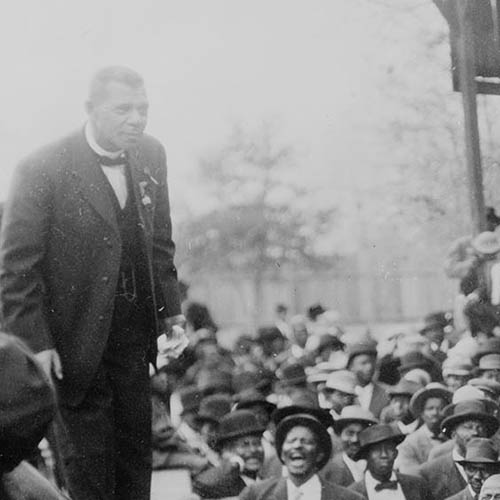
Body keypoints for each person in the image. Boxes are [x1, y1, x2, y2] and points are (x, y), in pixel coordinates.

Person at [0, 66, 187, 500]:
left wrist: (171, 312)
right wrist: (36, 345)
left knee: (135, 466)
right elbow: (16, 269)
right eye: (123, 109)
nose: (136, 120)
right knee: (89, 472)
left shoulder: (151, 154)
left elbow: (160, 242)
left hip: (133, 341)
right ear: (90, 110)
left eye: (143, 109)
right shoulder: (42, 166)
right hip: (71, 345)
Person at [239, 413, 365, 500]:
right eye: (291, 441)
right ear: (282, 454)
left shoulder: (348, 498)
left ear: (319, 455)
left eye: (306, 441)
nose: (297, 446)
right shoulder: (256, 494)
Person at [418, 399, 499, 499]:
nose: (475, 432)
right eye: (468, 427)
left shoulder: (496, 469)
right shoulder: (429, 473)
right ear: (453, 434)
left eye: (480, 427)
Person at [192, 410, 266, 499]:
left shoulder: (268, 479)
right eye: (244, 445)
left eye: (257, 443)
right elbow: (205, 483)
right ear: (227, 451)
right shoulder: (216, 486)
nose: (253, 450)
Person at [348, 423, 432, 500]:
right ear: (366, 455)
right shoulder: (352, 494)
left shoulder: (417, 485)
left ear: (396, 453)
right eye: (376, 450)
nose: (384, 455)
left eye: (389, 448)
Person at [396, 383, 452, 474]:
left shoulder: (453, 438)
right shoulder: (410, 443)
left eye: (440, 408)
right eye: (430, 409)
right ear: (421, 413)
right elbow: (410, 475)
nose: (435, 413)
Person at [327, 406, 378, 487]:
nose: (355, 439)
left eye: (361, 434)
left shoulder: (379, 467)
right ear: (340, 435)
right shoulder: (329, 470)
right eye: (350, 433)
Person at [347, 341, 390, 418]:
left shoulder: (386, 393)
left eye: (372, 363)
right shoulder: (344, 392)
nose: (369, 367)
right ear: (351, 367)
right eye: (363, 363)